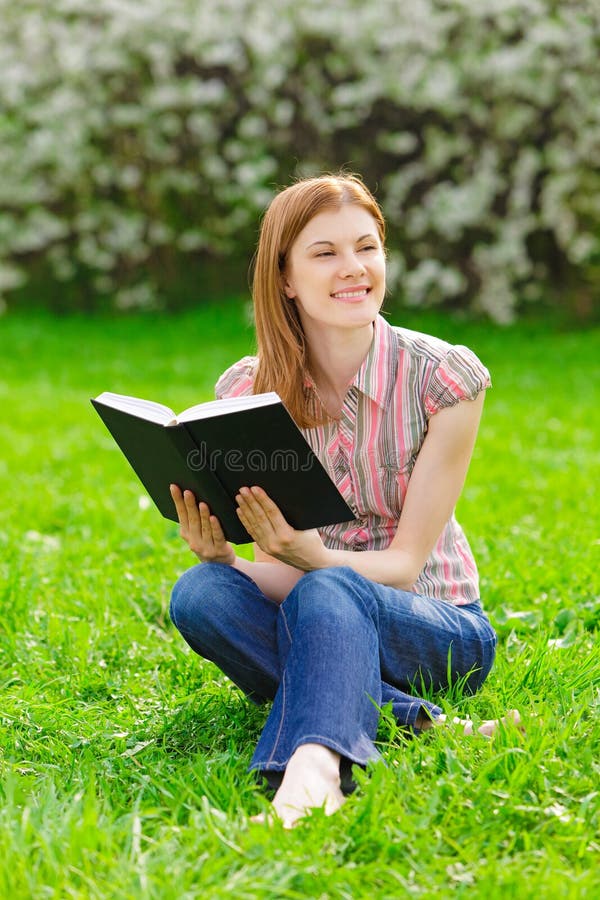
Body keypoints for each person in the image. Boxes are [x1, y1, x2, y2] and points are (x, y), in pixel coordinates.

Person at [168, 173, 519, 828]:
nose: (354, 269)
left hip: (437, 626)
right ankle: (415, 721)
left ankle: (314, 766)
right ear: (285, 280)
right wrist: (228, 560)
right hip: (317, 606)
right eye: (325, 253)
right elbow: (280, 578)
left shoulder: (442, 377)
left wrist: (311, 556)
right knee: (201, 594)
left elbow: (407, 564)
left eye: (366, 247)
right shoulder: (247, 389)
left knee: (326, 587)